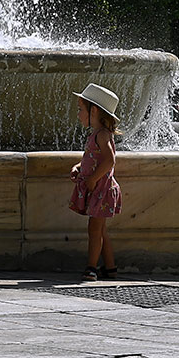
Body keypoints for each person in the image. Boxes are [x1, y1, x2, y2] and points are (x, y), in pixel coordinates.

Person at [69, 83, 122, 282]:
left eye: (80, 109)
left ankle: (91, 268)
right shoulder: (98, 134)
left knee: (94, 229)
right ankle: (110, 267)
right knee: (101, 230)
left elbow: (109, 161)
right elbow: (92, 158)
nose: (78, 114)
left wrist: (92, 179)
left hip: (102, 189)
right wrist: (79, 166)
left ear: (94, 111)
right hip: (100, 189)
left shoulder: (102, 135)